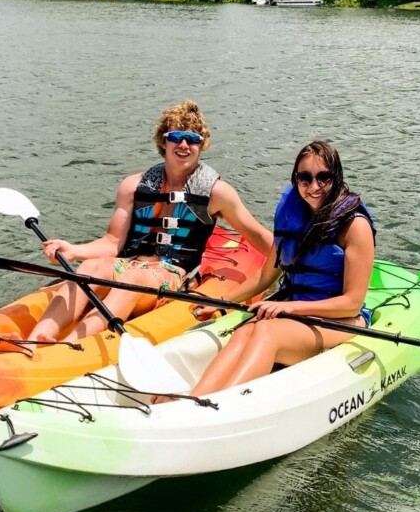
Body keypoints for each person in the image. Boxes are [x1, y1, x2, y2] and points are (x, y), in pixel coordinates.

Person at [21, 100, 272, 342]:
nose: (184, 145)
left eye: (193, 139)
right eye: (176, 137)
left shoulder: (217, 193)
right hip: (128, 263)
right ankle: (35, 339)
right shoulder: (133, 186)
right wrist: (74, 250)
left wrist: (294, 263)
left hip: (171, 274)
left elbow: (259, 237)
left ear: (201, 144)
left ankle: (67, 346)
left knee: (131, 281)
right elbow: (112, 241)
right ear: (163, 141)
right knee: (90, 268)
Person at [182, 140, 376, 398]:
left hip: (342, 320)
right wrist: (219, 301)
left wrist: (288, 307)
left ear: (336, 177)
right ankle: (196, 397)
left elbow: (351, 303)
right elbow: (265, 276)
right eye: (304, 178)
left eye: (324, 178)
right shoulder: (292, 217)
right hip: (298, 313)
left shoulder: (355, 226)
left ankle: (216, 405)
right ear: (295, 180)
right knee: (246, 331)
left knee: (266, 331)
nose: (314, 187)